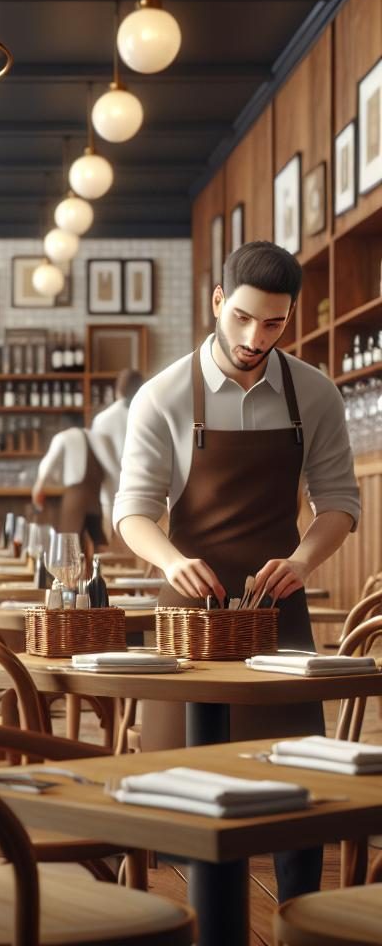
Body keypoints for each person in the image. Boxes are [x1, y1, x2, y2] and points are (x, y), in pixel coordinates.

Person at [113, 240, 359, 902]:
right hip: (189, 621)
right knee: (186, 807)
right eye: (244, 318)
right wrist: (171, 558)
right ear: (219, 302)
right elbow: (132, 512)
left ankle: (299, 920)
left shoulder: (314, 394)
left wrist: (305, 559)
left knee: (297, 797)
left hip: (279, 615)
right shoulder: (162, 396)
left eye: (275, 323)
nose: (256, 337)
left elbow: (339, 504)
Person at [32, 422, 108, 568]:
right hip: (96, 496)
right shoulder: (98, 438)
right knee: (98, 541)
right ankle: (99, 581)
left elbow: (48, 463)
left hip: (76, 495)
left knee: (67, 545)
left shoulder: (64, 437)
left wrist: (38, 485)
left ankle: (69, 585)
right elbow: (112, 469)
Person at [89, 368, 145, 537]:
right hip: (143, 492)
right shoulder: (147, 413)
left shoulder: (102, 419)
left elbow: (98, 461)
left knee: (112, 551)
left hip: (111, 495)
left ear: (117, 389)